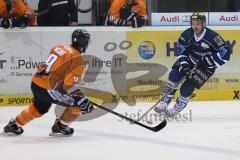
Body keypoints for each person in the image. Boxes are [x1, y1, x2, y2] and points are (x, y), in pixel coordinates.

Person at [3, 29, 94, 136]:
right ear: (85, 43)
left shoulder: (59, 47)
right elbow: (68, 85)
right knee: (82, 105)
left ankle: (15, 124)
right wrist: (80, 99)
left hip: (36, 83)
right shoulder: (78, 60)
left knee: (39, 108)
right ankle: (61, 126)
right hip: (48, 89)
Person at [154, 12, 231, 117]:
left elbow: (225, 53)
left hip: (206, 67)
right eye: (193, 23)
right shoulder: (186, 34)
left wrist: (209, 61)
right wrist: (185, 64)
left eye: (198, 24)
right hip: (190, 60)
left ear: (203, 24)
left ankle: (178, 107)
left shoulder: (213, 37)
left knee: (187, 88)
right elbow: (181, 51)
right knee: (174, 76)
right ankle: (164, 101)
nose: (195, 26)